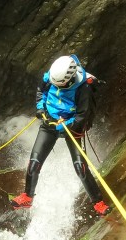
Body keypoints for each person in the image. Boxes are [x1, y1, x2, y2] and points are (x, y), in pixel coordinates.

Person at [10, 54, 110, 215]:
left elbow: (82, 115)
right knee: (34, 162)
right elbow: (41, 91)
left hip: (71, 127)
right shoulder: (52, 76)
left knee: (80, 167)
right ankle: (27, 197)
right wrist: (41, 109)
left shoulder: (83, 88)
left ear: (69, 79)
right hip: (49, 121)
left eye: (60, 85)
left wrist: (65, 125)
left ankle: (98, 203)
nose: (56, 86)